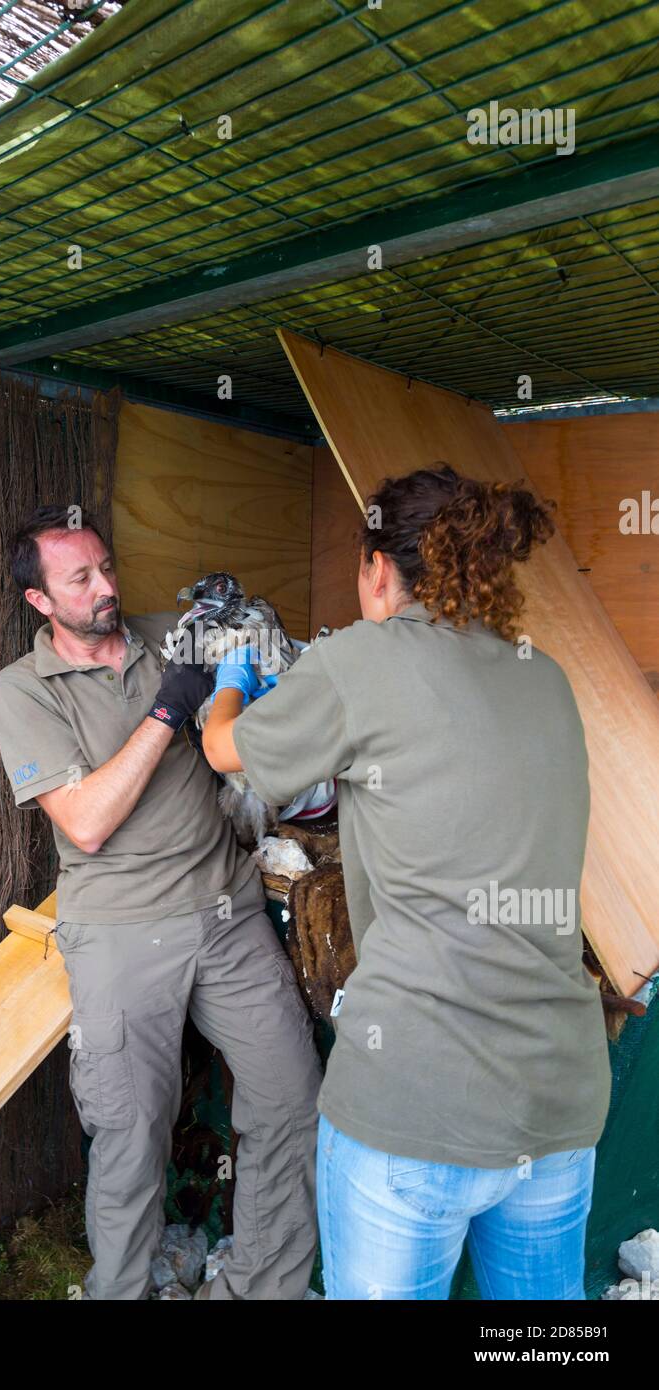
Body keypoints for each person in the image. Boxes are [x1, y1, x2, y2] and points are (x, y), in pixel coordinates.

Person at [202, 464, 612, 1301]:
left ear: (379, 569)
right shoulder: (547, 678)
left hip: (418, 1101)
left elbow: (225, 754)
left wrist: (230, 687)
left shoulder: (363, 658)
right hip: (558, 1095)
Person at [0, 505, 322, 1301]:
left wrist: (249, 641)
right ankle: (123, 1291)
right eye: (81, 579)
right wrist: (169, 707)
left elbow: (266, 666)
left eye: (106, 566)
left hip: (227, 910)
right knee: (131, 1134)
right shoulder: (23, 691)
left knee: (291, 1101)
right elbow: (89, 822)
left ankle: (256, 1288)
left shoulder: (164, 634)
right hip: (121, 931)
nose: (106, 587)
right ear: (40, 601)